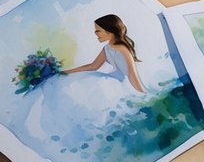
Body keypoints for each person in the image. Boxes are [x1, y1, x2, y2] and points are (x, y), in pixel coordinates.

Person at [17, 15, 147, 153]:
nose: (95, 33)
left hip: (119, 84)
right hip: (110, 79)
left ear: (109, 32)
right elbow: (93, 66)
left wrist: (143, 94)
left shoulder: (123, 49)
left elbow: (132, 75)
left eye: (98, 30)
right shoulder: (107, 48)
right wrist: (66, 72)